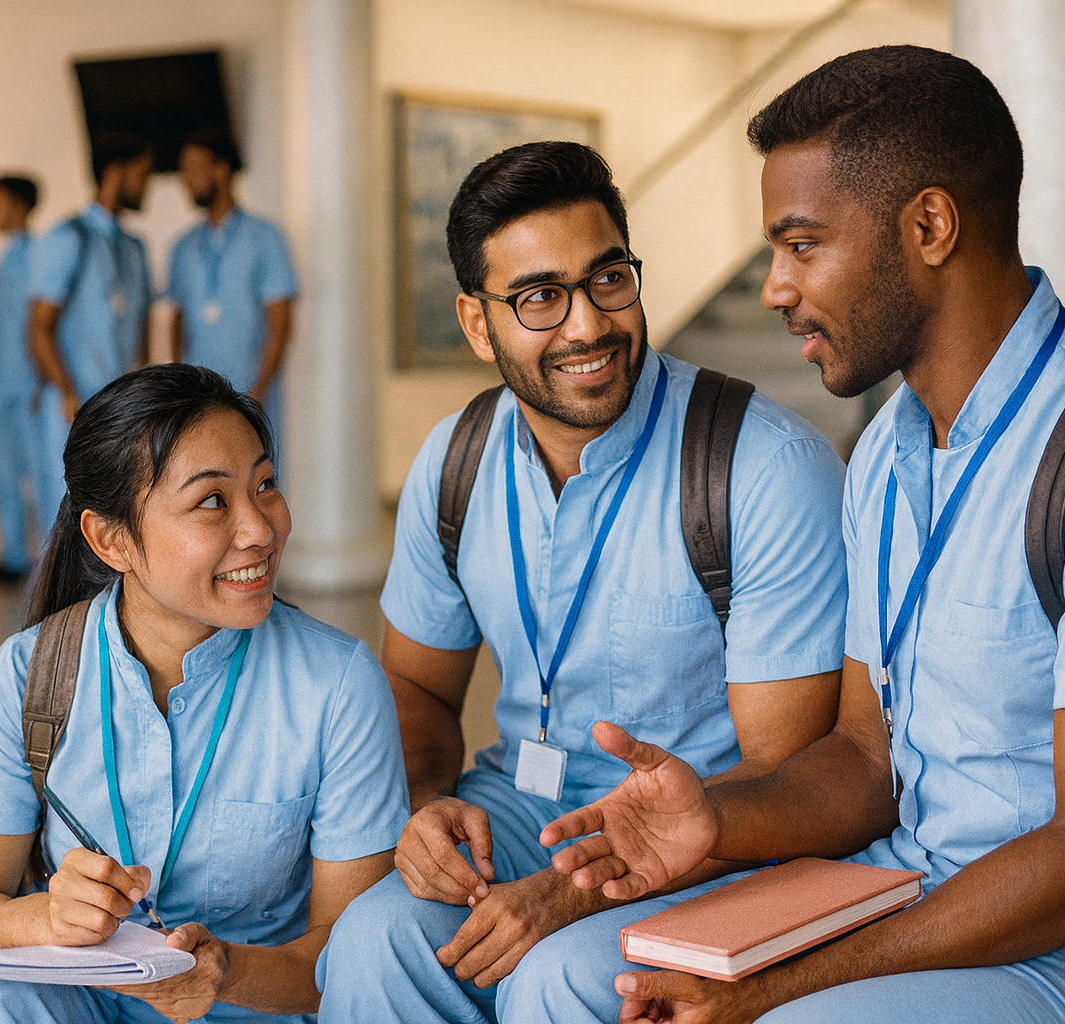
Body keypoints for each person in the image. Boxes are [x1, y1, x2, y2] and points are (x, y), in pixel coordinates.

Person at [541, 45, 1065, 1024]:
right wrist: (716, 817)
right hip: (917, 879)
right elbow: (867, 758)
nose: (776, 287)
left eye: (802, 243)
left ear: (930, 226)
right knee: (563, 977)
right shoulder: (887, 455)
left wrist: (777, 985)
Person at [316, 141, 850, 1024]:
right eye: (539, 298)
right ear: (479, 324)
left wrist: (584, 894)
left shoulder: (760, 469)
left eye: (608, 280)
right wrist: (424, 809)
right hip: (521, 808)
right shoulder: (455, 462)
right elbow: (415, 685)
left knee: (556, 980)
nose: (587, 326)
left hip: (717, 836)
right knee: (373, 943)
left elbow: (789, 778)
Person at [0, 364, 409, 1024]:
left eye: (264, 485)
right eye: (212, 501)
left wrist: (224, 973)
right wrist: (47, 915)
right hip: (85, 1002)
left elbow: (353, 965)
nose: (261, 529)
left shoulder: (337, 686)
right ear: (111, 539)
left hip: (255, 1009)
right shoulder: (27, 678)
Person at [29, 132, 154, 535]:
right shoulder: (69, 239)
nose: (147, 186)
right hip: (75, 407)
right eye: (142, 174)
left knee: (116, 519)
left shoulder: (134, 248)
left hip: (121, 411)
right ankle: (60, 601)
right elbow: (39, 326)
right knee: (66, 519)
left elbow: (141, 327)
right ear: (115, 173)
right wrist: (65, 390)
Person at [167, 127, 297, 434]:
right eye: (183, 170)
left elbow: (280, 326)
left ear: (221, 170)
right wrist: (180, 392)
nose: (185, 179)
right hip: (198, 402)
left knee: (258, 476)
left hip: (252, 398)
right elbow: (177, 321)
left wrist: (258, 393)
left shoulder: (265, 238)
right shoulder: (183, 247)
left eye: (194, 168)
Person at [0, 174, 41, 585]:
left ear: (18, 205)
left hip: (28, 387)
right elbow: (0, 329)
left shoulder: (34, 257)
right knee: (3, 473)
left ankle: (48, 557)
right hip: (3, 386)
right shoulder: (4, 259)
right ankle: (13, 555)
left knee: (38, 473)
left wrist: (38, 379)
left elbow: (37, 324)